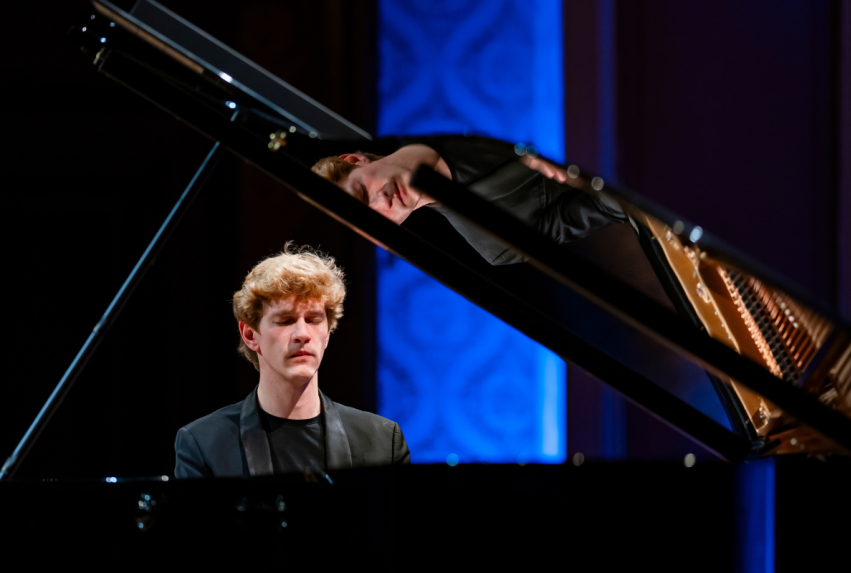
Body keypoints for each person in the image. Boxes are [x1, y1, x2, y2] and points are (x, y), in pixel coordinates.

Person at [174, 245, 410, 478]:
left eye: (313, 319)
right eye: (285, 320)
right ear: (250, 335)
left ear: (327, 334)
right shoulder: (203, 444)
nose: (302, 334)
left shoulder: (383, 441)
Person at [311, 135, 627, 266]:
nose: (382, 202)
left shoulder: (446, 115)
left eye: (362, 193)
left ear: (354, 160)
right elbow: (607, 208)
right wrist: (585, 174)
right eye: (373, 217)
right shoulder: (495, 245)